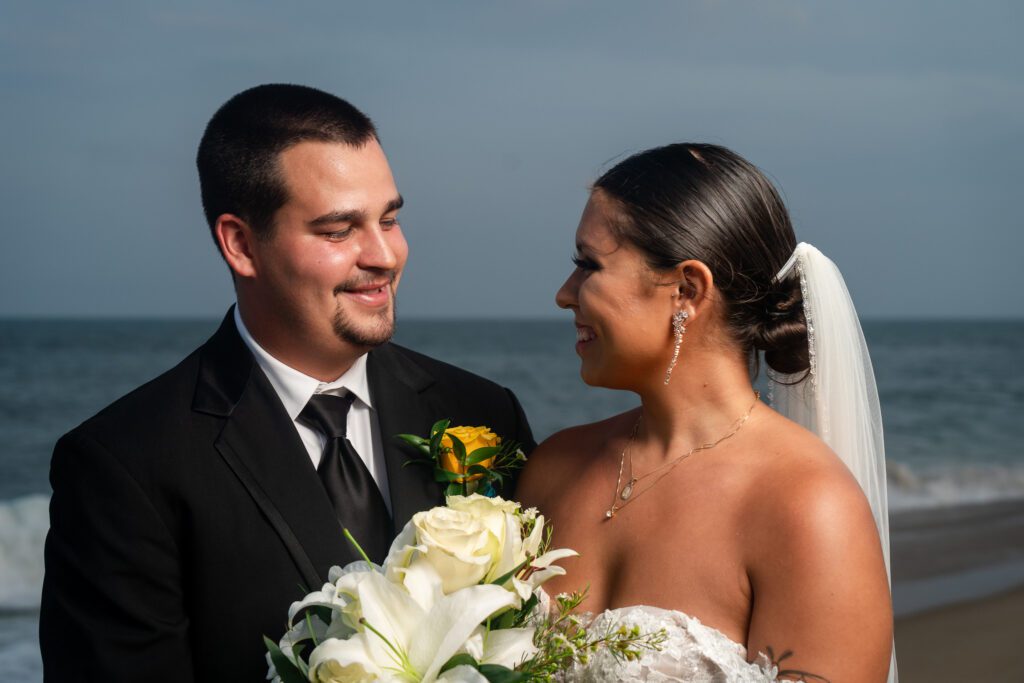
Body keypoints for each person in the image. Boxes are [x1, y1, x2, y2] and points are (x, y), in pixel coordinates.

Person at [39, 84, 534, 682]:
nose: (384, 255)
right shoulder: (125, 464)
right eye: (338, 230)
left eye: (390, 219)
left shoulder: (483, 413)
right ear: (241, 244)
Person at [517, 143, 895, 681]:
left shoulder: (807, 507)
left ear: (687, 290)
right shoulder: (554, 466)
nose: (563, 294)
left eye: (588, 266)